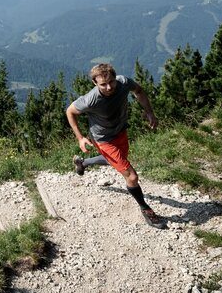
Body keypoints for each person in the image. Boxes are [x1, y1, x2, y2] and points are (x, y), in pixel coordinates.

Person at [65, 63, 166, 228]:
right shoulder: (91, 99)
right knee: (131, 176)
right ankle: (145, 209)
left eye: (111, 81)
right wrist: (80, 137)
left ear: (115, 77)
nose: (109, 87)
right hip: (103, 139)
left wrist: (149, 112)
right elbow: (70, 111)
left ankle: (82, 163)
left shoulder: (124, 83)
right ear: (94, 83)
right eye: (103, 84)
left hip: (120, 131)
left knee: (116, 161)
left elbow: (139, 91)